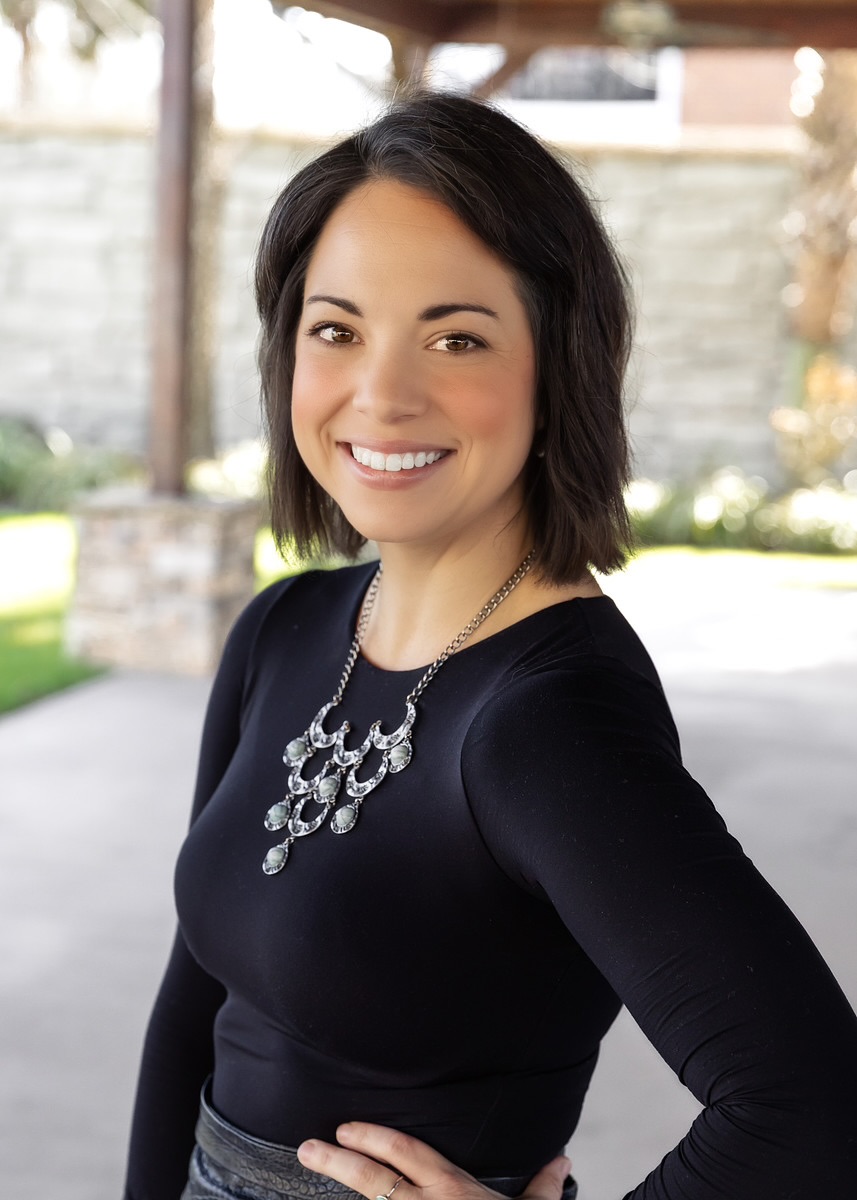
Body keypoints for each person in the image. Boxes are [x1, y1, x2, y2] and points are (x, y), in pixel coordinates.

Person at [123, 92, 857, 1200]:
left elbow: (812, 1109)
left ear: (554, 363)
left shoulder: (546, 720)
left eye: (455, 337)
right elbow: (197, 992)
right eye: (337, 329)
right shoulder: (284, 630)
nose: (381, 394)